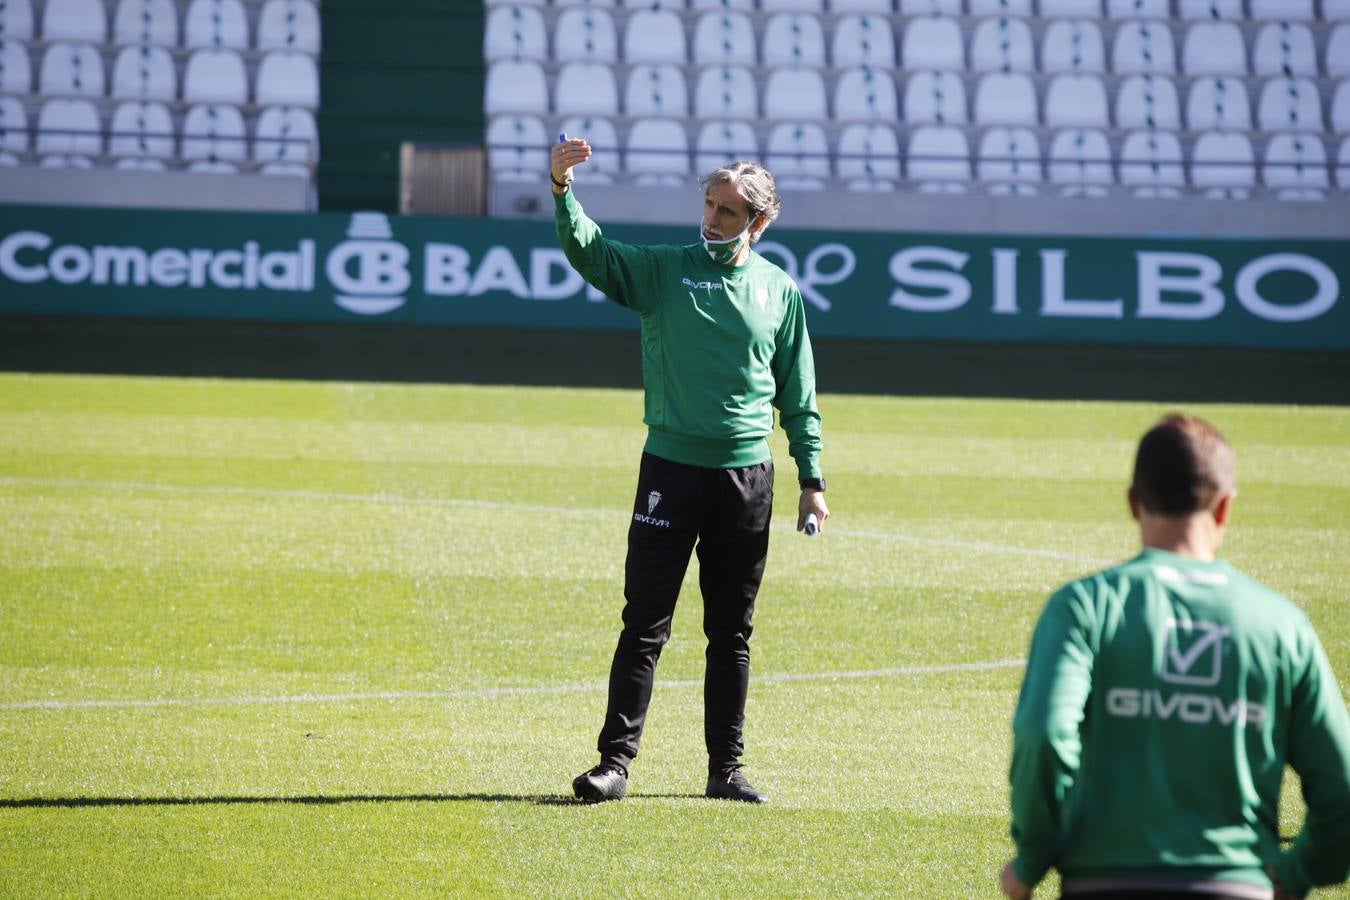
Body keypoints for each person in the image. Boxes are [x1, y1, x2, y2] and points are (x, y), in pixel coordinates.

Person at [550, 138, 828, 804]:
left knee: (730, 632)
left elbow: (798, 392)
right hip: (669, 471)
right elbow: (592, 252)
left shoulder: (778, 292)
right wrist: (562, 188)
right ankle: (614, 766)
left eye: (729, 212)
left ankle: (725, 770)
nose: (712, 219)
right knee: (645, 622)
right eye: (709, 204)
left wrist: (811, 480)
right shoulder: (664, 272)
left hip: (746, 481)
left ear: (760, 223)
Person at [1002, 413, 1350, 900]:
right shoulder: (1281, 624)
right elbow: (1343, 784)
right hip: (1239, 885)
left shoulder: (1084, 607)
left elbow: (1044, 732)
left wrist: (1034, 855)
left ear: (1132, 502)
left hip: (1104, 883)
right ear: (1226, 508)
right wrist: (1299, 873)